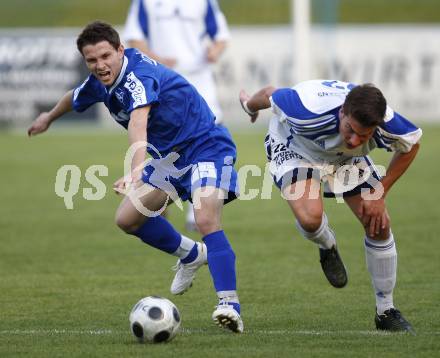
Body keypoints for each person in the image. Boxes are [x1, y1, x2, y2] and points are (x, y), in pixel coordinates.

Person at [28, 21, 243, 333]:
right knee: (128, 218)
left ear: (120, 50)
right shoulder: (99, 81)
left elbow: (138, 123)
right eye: (92, 60)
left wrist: (135, 172)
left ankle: (229, 305)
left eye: (105, 56)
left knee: (206, 218)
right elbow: (73, 97)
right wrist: (48, 117)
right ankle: (192, 254)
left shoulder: (138, 77)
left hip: (205, 145)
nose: (100, 65)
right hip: (171, 158)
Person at [239, 80, 422, 333]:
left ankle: (386, 311)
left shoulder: (385, 122)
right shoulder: (304, 111)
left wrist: (379, 192)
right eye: (350, 129)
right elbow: (270, 93)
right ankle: (328, 244)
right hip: (295, 148)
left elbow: (411, 145)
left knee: (379, 225)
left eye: (364, 135)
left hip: (346, 160)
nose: (354, 139)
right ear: (342, 112)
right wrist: (249, 105)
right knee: (311, 219)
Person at [123, 0, 230, 231]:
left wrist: (214, 51)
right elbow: (134, 38)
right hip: (162, 81)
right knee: (166, 140)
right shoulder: (145, 3)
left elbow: (220, 36)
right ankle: (158, 195)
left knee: (209, 134)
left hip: (199, 78)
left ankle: (197, 209)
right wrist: (155, 59)